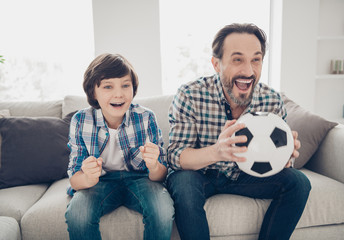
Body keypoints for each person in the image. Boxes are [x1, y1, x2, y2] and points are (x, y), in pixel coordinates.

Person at [166, 23, 311, 240]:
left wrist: (285, 157)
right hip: (202, 174)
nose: (248, 71)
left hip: (246, 176)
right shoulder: (190, 95)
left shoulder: (271, 100)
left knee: (298, 182)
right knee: (183, 182)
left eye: (256, 59)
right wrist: (217, 152)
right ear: (216, 64)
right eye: (237, 59)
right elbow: (175, 156)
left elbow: (278, 162)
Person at [65, 53, 174, 240]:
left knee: (162, 212)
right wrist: (88, 177)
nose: (119, 94)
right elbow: (75, 180)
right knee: (78, 215)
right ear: (93, 92)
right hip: (100, 182)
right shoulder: (81, 120)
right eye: (108, 86)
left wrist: (154, 165)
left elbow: (160, 175)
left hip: (141, 179)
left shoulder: (146, 117)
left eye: (125, 85)